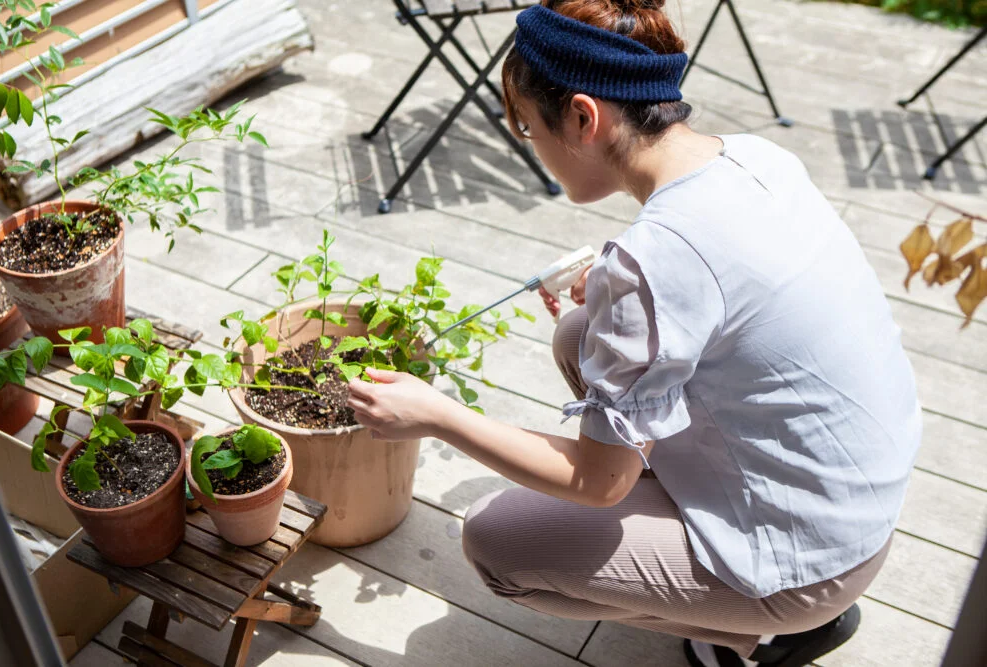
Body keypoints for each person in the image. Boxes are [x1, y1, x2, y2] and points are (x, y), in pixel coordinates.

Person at [346, 1, 922, 665]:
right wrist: (625, 290)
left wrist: (438, 416)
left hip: (807, 562)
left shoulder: (650, 263)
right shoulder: (757, 157)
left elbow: (598, 486)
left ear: (584, 118)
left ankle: (761, 630)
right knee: (579, 336)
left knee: (496, 542)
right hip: (855, 502)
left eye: (530, 129)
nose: (533, 144)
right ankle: (719, 569)